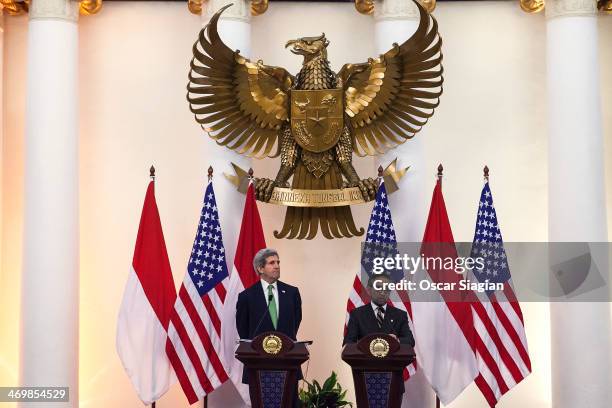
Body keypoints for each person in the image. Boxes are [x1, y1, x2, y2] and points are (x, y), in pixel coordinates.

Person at [236, 248, 302, 406]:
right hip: (258, 365)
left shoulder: (292, 293)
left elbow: (296, 322)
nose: (277, 266)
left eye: (278, 262)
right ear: (260, 268)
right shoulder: (247, 296)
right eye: (272, 263)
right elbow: (243, 329)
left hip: (288, 363)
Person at [343, 273, 415, 347]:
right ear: (368, 290)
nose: (383, 292)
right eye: (378, 287)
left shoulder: (400, 315)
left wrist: (396, 340)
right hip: (366, 357)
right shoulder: (357, 314)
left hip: (392, 358)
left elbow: (410, 340)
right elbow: (348, 343)